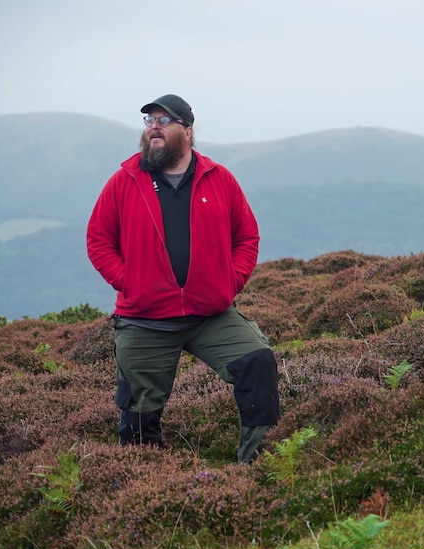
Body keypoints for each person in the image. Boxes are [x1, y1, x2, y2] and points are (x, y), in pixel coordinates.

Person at [86, 94, 281, 463]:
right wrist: (128, 281)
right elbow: (98, 240)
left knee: (257, 362)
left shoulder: (219, 179)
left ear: (188, 132)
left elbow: (247, 237)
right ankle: (149, 484)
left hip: (210, 315)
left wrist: (228, 282)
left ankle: (258, 469)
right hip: (145, 319)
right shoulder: (124, 180)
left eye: (164, 120)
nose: (154, 127)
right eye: (149, 121)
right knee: (139, 415)